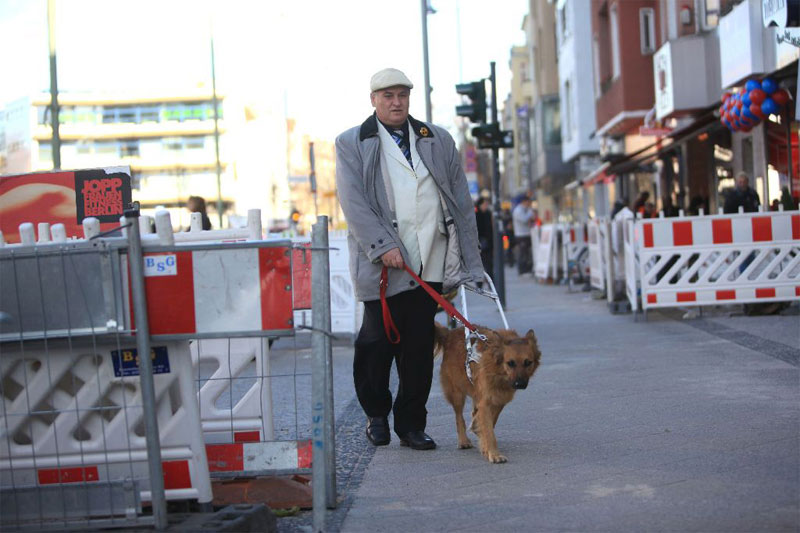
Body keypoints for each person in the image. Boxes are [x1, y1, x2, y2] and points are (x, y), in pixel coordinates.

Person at [335, 68, 483, 451]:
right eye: (387, 96)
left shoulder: (436, 138)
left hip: (429, 262)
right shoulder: (352, 142)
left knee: (417, 348)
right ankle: (377, 415)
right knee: (375, 343)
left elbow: (459, 200)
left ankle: (411, 424)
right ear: (373, 100)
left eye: (402, 95)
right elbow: (354, 203)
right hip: (381, 265)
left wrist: (469, 258)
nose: (396, 102)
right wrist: (383, 244)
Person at [512, 196, 534, 274]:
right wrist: (530, 213)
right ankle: (522, 269)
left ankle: (526, 268)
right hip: (521, 235)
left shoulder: (525, 209)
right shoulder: (518, 210)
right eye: (528, 202)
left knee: (526, 252)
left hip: (526, 234)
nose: (529, 204)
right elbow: (524, 220)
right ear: (524, 201)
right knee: (522, 252)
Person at [475, 197, 493, 277]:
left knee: (489, 265)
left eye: (487, 204)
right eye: (484, 204)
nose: (486, 206)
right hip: (478, 243)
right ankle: (479, 284)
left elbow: (490, 229)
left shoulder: (488, 213)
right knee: (479, 266)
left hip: (488, 243)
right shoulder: (476, 214)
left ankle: (492, 283)